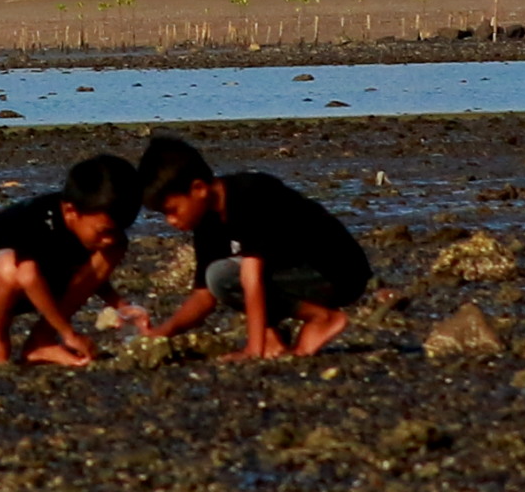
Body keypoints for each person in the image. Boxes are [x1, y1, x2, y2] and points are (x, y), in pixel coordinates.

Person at [133, 134, 373, 359]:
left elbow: (251, 277)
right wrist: (163, 332)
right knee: (218, 277)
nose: (171, 221)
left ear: (198, 189)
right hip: (297, 272)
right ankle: (275, 338)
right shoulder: (207, 219)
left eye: (172, 211)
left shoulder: (250, 195)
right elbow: (204, 296)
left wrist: (253, 350)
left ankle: (320, 318)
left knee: (224, 275)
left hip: (338, 271)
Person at [0, 152, 139, 367]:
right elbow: (27, 275)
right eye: (104, 231)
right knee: (11, 268)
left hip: (35, 282)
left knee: (115, 247)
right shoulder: (38, 220)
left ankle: (41, 342)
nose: (108, 239)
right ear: (71, 211)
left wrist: (120, 306)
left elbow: (88, 274)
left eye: (117, 230)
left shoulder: (87, 226)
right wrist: (68, 334)